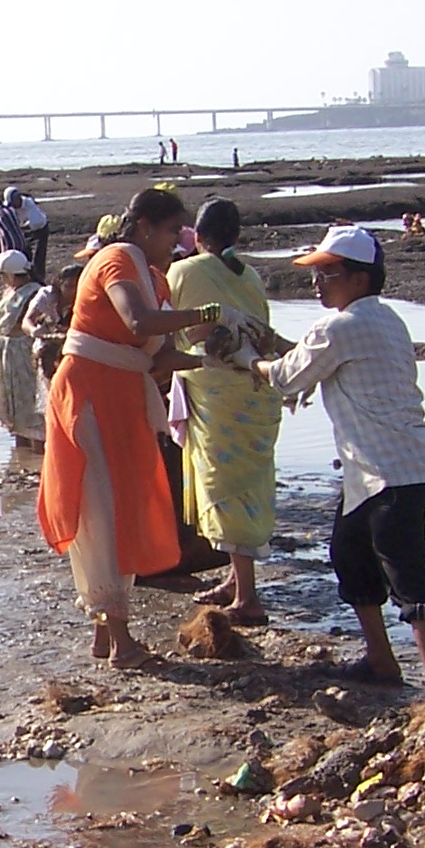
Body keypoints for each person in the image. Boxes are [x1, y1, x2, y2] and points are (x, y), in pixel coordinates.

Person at [252, 226, 425, 708]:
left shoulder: (339, 328)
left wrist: (248, 359)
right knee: (348, 553)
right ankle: (381, 661)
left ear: (359, 279)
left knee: (407, 576)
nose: (316, 283)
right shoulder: (384, 319)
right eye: (317, 274)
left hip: (389, 470)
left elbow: (286, 378)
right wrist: (274, 345)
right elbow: (315, 360)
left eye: (327, 274)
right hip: (391, 465)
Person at [37, 190, 216, 668]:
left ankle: (105, 632)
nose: (178, 241)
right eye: (173, 230)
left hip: (122, 396)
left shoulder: (153, 277)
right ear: (144, 227)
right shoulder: (116, 260)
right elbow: (138, 322)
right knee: (102, 508)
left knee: (125, 503)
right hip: (89, 396)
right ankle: (120, 640)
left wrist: (217, 359)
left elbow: (158, 358)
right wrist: (209, 313)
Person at [168, 199, 283, 624]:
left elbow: (184, 329)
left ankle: (247, 597)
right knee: (249, 484)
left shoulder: (184, 271)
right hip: (254, 389)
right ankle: (237, 580)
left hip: (218, 390)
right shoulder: (248, 274)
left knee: (225, 488)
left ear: (198, 237)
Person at [0, 249, 44, 448]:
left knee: (31, 410)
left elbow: (15, 324)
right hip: (9, 357)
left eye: (2, 274)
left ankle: (37, 454)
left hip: (23, 356)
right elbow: (0, 326)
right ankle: (22, 457)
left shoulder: (33, 293)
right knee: (15, 412)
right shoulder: (11, 291)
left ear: (10, 274)